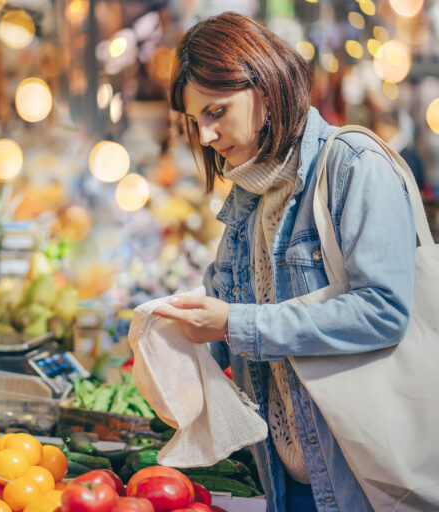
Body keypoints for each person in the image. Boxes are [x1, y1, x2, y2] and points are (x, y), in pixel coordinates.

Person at [152, 12, 415, 512]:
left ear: (266, 91)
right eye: (195, 120)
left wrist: (233, 323)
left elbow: (384, 310)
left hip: (362, 480)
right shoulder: (248, 196)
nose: (206, 136)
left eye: (215, 111)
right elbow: (225, 326)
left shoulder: (354, 165)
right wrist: (169, 340)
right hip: (285, 474)